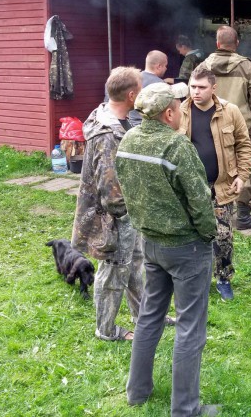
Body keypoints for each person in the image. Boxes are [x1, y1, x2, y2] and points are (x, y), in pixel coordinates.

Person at [116, 82, 220, 417]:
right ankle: (186, 409)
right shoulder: (177, 145)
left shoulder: (128, 140)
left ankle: (137, 392)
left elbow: (126, 189)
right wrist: (209, 235)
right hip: (186, 248)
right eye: (178, 108)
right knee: (190, 327)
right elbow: (200, 200)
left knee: (149, 316)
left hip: (150, 243)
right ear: (169, 113)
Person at [71, 66, 144, 341]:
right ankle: (106, 329)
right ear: (131, 95)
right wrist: (124, 213)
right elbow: (109, 185)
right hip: (115, 217)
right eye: (140, 89)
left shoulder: (121, 120)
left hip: (130, 213)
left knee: (135, 265)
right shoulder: (107, 134)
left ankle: (145, 315)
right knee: (113, 271)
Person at [179, 66, 251, 301]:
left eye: (201, 87)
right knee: (189, 233)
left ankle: (223, 278)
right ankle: (193, 278)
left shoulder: (230, 112)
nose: (196, 91)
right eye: (193, 86)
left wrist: (242, 176)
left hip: (221, 186)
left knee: (223, 236)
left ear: (213, 88)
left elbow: (244, 145)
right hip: (189, 187)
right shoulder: (180, 112)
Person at [199, 25, 251, 230]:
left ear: (217, 43)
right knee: (242, 167)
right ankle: (243, 216)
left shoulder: (202, 67)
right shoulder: (248, 67)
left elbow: (194, 96)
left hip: (208, 125)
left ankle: (209, 211)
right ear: (236, 44)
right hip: (240, 126)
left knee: (209, 165)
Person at [128, 50, 174, 125]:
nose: (166, 68)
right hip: (149, 127)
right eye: (165, 66)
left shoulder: (133, 79)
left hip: (131, 123)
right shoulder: (161, 85)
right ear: (159, 66)